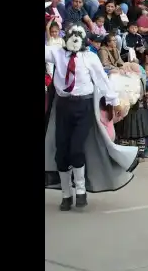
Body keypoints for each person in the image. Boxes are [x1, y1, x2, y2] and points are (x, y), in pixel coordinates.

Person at [44, 24, 138, 210]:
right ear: (66, 37)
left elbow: (102, 81)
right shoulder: (57, 53)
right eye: (72, 34)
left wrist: (114, 101)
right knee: (61, 151)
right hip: (63, 107)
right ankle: (65, 194)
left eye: (79, 35)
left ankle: (80, 190)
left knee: (77, 148)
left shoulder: (90, 58)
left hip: (83, 106)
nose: (75, 38)